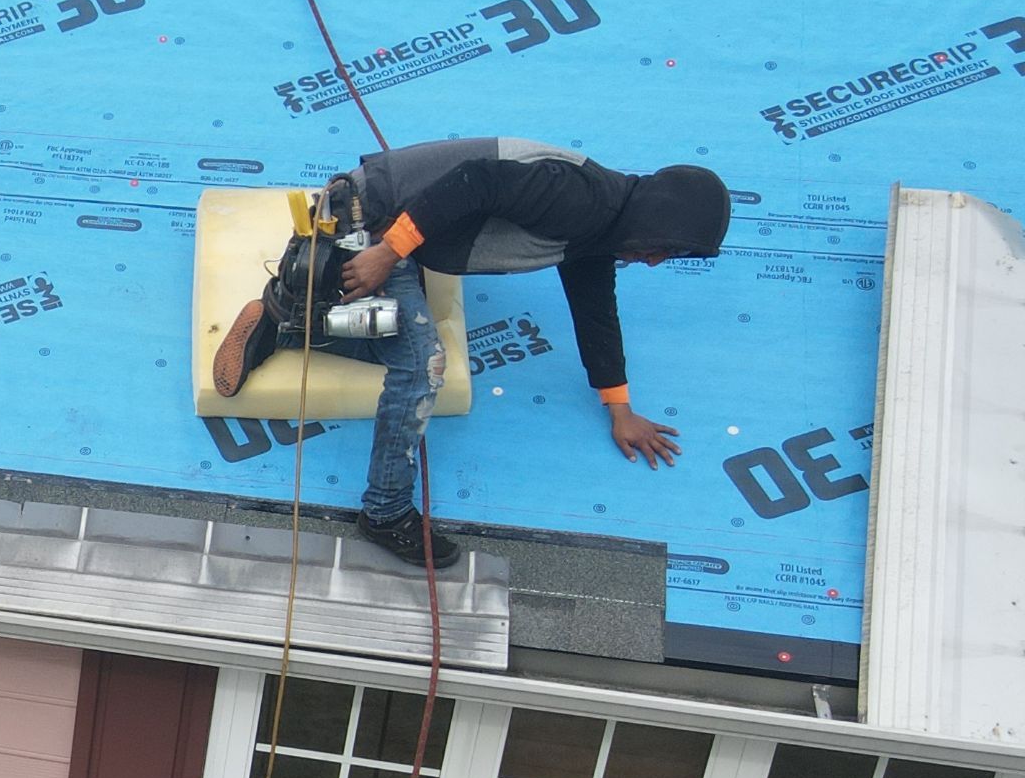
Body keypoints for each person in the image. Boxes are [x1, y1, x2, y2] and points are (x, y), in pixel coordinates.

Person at [212, 138, 730, 570]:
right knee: (421, 365)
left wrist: (620, 409)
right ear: (656, 214)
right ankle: (386, 511)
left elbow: (595, 312)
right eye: (666, 247)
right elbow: (478, 180)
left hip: (404, 227)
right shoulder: (585, 197)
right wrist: (386, 254)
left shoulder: (601, 229)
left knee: (400, 334)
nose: (657, 261)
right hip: (369, 218)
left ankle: (287, 323)